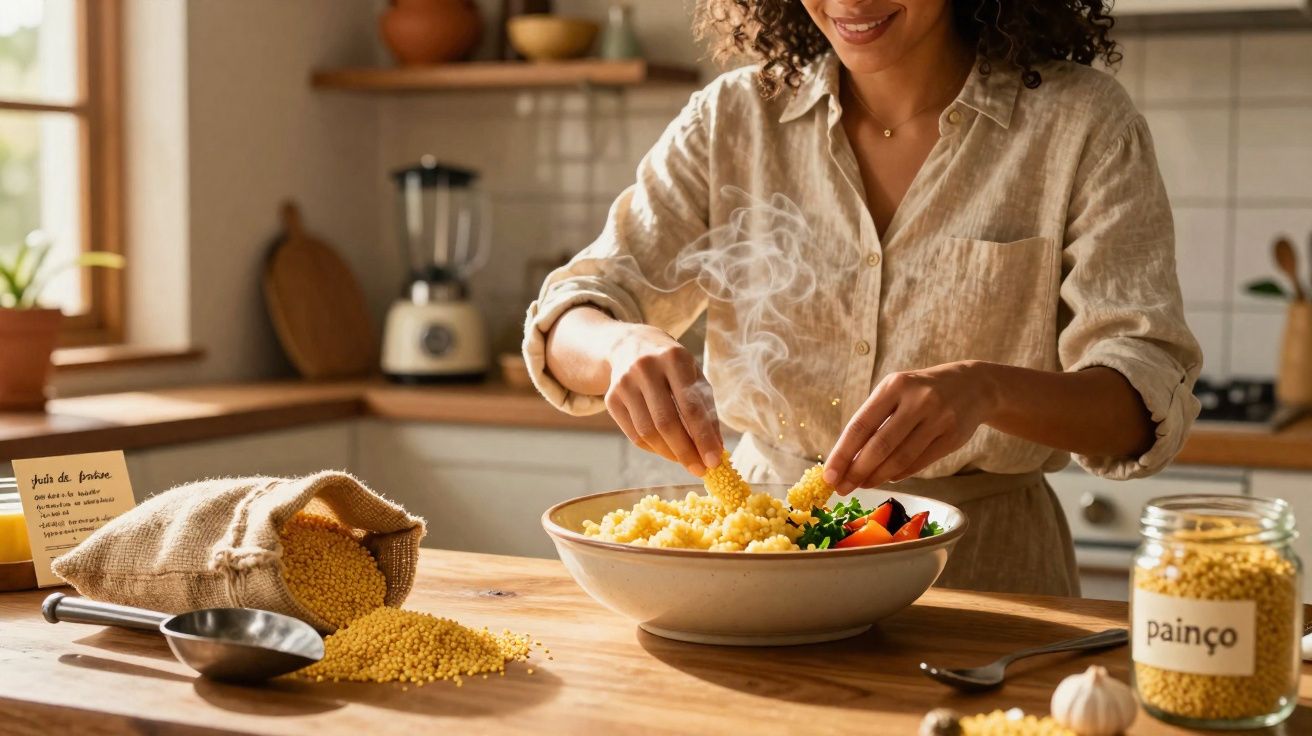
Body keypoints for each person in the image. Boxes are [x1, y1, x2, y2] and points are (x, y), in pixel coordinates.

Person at [522, 0, 1202, 596]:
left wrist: (987, 390)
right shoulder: (732, 117)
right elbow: (574, 314)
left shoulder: (1082, 123)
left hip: (986, 582)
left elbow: (1140, 403)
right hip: (754, 576)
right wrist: (619, 345)